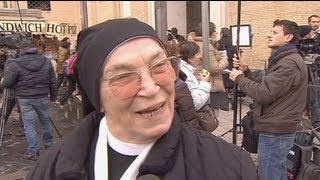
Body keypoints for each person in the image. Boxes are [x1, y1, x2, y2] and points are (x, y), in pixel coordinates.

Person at [26, 18, 258, 180]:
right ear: (97, 95)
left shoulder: (229, 167)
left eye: (159, 66)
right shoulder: (50, 170)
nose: (150, 87)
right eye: (124, 76)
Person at [229, 19, 308, 180]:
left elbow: (264, 93)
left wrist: (239, 79)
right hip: (277, 126)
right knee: (276, 170)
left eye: (274, 32)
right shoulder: (284, 60)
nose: (268, 35)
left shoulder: (289, 63)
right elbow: (270, 87)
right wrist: (246, 71)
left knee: (269, 173)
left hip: (276, 130)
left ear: (288, 37)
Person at [1, 40, 57, 161]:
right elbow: (53, 81)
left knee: (29, 124)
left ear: (21, 50)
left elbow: (7, 83)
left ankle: (33, 151)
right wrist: (53, 96)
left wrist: (3, 81)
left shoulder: (15, 64)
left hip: (25, 98)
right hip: (42, 96)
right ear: (35, 49)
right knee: (46, 120)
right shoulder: (46, 61)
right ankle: (50, 143)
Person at [188, 22, 230, 114]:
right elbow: (213, 69)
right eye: (215, 31)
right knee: (210, 117)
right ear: (210, 32)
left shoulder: (194, 43)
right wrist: (225, 60)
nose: (216, 33)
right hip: (209, 84)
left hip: (197, 81)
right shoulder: (207, 46)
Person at [178, 41, 211, 111]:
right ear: (190, 58)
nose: (201, 56)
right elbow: (196, 103)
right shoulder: (186, 75)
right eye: (198, 53)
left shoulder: (184, 70)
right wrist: (204, 82)